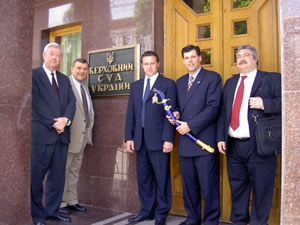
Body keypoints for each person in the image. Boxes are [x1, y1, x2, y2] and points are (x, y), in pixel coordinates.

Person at [217, 44, 281, 225]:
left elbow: (289, 102)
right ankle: (239, 222)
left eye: (246, 55)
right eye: (238, 55)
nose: (242, 58)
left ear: (255, 59)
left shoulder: (272, 80)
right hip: (235, 146)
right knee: (237, 189)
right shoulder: (230, 83)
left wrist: (264, 103)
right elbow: (224, 112)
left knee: (262, 191)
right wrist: (221, 137)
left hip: (260, 145)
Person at [168, 45, 222, 225]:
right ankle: (192, 218)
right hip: (185, 143)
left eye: (193, 57)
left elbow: (213, 108)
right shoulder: (180, 81)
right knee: (189, 186)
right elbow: (177, 106)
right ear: (183, 60)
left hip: (203, 142)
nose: (189, 60)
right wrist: (175, 114)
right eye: (186, 58)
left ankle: (211, 221)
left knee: (208, 187)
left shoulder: (212, 78)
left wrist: (190, 125)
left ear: (200, 58)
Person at [125, 51, 176, 225]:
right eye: (145, 64)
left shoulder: (168, 84)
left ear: (158, 64)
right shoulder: (136, 86)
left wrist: (169, 139)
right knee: (144, 178)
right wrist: (128, 137)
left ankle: (161, 212)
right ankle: (146, 211)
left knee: (162, 178)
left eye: (152, 63)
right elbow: (131, 113)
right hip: (140, 140)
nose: (149, 66)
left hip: (160, 141)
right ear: (142, 65)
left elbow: (171, 114)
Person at [31, 42, 75, 225]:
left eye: (58, 55)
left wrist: (65, 120)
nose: (55, 58)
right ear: (44, 55)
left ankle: (53, 211)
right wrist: (54, 123)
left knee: (57, 178)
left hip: (61, 136)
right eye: (51, 54)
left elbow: (72, 103)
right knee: (36, 179)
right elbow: (36, 103)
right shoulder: (34, 75)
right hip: (42, 136)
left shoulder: (64, 79)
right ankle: (37, 215)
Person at [59, 58, 94, 214]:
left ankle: (72, 201)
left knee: (74, 171)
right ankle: (60, 203)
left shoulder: (84, 87)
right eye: (79, 68)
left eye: (85, 69)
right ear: (72, 68)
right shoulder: (65, 84)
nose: (82, 71)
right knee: (63, 171)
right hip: (68, 137)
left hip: (82, 137)